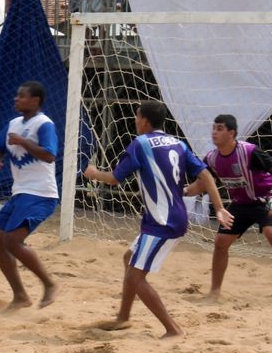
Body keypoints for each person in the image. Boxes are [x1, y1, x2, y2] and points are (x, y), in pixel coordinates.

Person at [84, 101, 233, 337]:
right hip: (169, 217)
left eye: (136, 116)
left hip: (163, 222)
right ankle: (123, 317)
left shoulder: (141, 144)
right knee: (129, 258)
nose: (134, 120)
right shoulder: (178, 143)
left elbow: (114, 179)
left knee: (135, 276)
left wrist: (92, 173)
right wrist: (219, 207)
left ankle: (173, 329)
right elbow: (205, 174)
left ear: (144, 120)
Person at [184, 114, 272, 299]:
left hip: (265, 199)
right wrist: (182, 192)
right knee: (221, 241)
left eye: (219, 129)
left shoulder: (249, 151)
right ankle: (215, 290)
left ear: (232, 133)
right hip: (241, 204)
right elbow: (201, 184)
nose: (214, 132)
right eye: (213, 128)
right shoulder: (211, 158)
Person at [0, 81, 59, 310]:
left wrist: (24, 142)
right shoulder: (13, 123)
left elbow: (49, 155)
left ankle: (48, 284)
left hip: (40, 192)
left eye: (21, 96)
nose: (16, 99)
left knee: (12, 240)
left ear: (35, 101)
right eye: (16, 95)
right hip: (20, 192)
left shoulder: (44, 124)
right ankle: (20, 295)